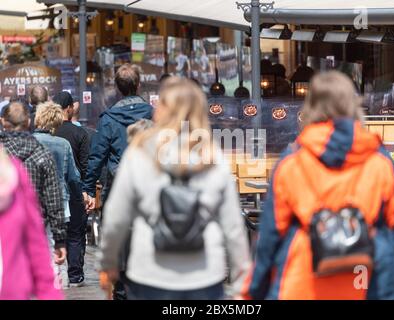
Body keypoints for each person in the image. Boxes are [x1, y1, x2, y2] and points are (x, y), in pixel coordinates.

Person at [241, 71, 394, 300]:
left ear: (310, 108)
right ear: (353, 105)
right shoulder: (380, 162)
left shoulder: (292, 163)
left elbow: (270, 237)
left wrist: (253, 291)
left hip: (303, 284)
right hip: (373, 282)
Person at [99, 77, 251, 300]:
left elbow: (116, 217)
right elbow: (233, 227)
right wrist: (241, 281)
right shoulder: (211, 156)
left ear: (160, 109)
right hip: (204, 274)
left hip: (149, 272)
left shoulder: (140, 152)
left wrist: (108, 262)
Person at [0, 102, 67, 270]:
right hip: (36, 229)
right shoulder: (42, 154)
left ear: (3, 122)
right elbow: (53, 199)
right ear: (28, 122)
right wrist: (59, 239)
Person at [83, 63, 153, 210]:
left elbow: (97, 156)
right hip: (148, 183)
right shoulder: (155, 115)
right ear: (138, 85)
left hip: (118, 185)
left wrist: (88, 188)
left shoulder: (108, 119)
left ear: (117, 88)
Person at [0, 149, 63, 300]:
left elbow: (35, 243)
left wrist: (49, 292)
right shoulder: (43, 153)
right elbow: (54, 193)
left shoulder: (12, 172)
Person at [33, 101, 83, 289]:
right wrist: (81, 196)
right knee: (56, 246)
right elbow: (73, 177)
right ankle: (54, 285)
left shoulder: (30, 141)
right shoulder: (63, 145)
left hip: (33, 201)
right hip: (60, 201)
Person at [53, 91, 90, 287]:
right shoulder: (80, 133)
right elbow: (85, 166)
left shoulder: (49, 133)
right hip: (75, 189)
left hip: (53, 191)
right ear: (69, 109)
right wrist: (86, 190)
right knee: (76, 234)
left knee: (54, 233)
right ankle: (75, 275)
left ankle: (54, 274)